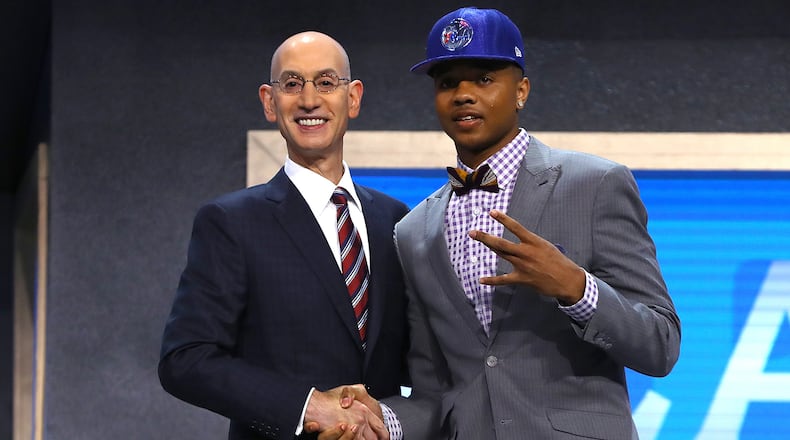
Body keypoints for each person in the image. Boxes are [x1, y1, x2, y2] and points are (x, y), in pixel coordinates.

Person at [327, 6, 682, 440]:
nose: (463, 94)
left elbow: (660, 344)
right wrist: (384, 422)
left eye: (484, 78)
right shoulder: (413, 231)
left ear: (522, 91)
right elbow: (434, 392)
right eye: (447, 83)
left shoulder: (595, 184)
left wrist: (575, 288)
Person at [158, 31, 410, 440]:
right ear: (269, 102)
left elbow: (419, 362)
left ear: (353, 97)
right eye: (292, 84)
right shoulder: (230, 222)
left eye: (326, 82)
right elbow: (185, 359)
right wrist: (307, 406)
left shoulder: (395, 220)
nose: (309, 100)